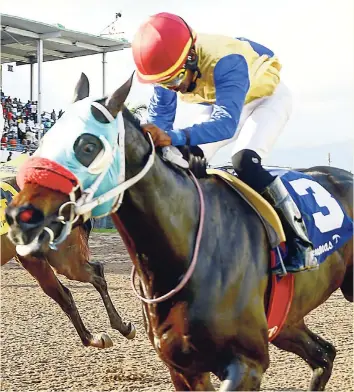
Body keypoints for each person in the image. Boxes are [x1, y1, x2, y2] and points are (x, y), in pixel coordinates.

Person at [131, 12, 318, 272]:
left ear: (192, 58)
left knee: (244, 161)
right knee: (180, 156)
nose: (171, 89)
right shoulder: (168, 69)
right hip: (223, 101)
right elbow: (161, 122)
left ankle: (301, 244)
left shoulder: (227, 60)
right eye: (163, 83)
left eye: (174, 80)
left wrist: (174, 137)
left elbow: (225, 125)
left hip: (267, 98)